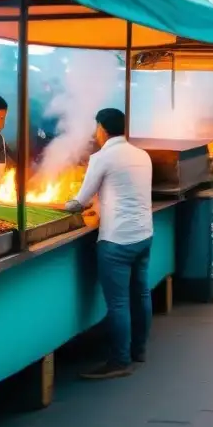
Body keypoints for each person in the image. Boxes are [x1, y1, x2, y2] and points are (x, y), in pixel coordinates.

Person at [63, 108, 154, 380]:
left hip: (117, 241)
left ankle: (119, 360)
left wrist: (66, 204)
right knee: (141, 294)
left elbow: (80, 200)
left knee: (118, 303)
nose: (95, 133)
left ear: (102, 128)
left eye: (96, 128)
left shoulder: (102, 157)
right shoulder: (142, 155)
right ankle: (139, 350)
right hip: (144, 235)